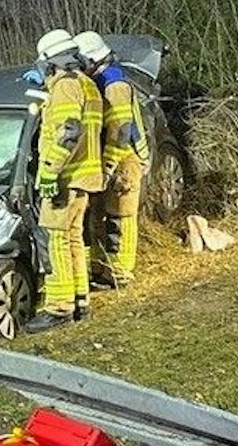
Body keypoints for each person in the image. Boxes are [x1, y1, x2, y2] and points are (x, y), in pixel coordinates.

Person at [24, 29, 105, 335]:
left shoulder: (65, 86)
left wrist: (49, 171)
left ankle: (59, 307)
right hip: (84, 175)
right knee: (73, 239)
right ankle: (80, 300)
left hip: (65, 177)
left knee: (56, 239)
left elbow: (68, 132)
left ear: (50, 60)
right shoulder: (88, 84)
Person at [79, 31, 151, 289]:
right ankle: (99, 269)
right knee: (98, 215)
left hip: (124, 157)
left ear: (92, 59)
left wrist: (108, 167)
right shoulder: (98, 80)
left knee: (120, 216)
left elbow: (120, 132)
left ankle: (120, 273)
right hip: (107, 155)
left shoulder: (115, 84)